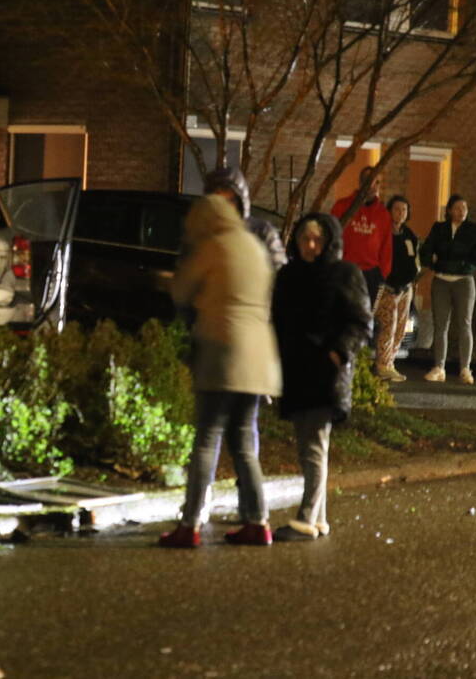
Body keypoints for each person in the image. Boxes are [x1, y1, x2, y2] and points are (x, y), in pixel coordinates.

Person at [159, 194, 281, 548]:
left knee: (206, 440)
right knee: (244, 442)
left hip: (221, 351)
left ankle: (190, 524)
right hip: (259, 356)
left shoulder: (213, 247)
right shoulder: (254, 247)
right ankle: (258, 522)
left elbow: (182, 290)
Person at [271, 213, 371, 541]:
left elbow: (360, 321)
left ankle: (305, 518)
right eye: (304, 239)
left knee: (314, 444)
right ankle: (319, 518)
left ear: (328, 242)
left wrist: (338, 352)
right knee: (309, 445)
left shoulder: (344, 274)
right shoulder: (289, 275)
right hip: (297, 370)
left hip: (325, 373)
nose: (310, 246)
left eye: (317, 240)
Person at [419, 195, 476, 384]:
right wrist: (432, 263)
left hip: (464, 280)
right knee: (440, 324)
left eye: (464, 207)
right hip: (441, 280)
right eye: (457, 207)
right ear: (449, 210)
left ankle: (465, 368)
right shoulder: (439, 229)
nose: (461, 211)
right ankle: (439, 367)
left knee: (465, 323)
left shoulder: (475, 231)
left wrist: (453, 264)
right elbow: (426, 249)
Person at [331, 166, 393, 308]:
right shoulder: (342, 206)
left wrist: (381, 274)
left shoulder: (383, 214)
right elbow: (332, 237)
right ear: (361, 182)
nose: (373, 186)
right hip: (345, 270)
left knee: (364, 318)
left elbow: (386, 247)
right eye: (369, 181)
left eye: (377, 182)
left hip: (371, 275)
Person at [204, 167, 287, 270]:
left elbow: (279, 272)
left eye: (230, 200)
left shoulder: (263, 232)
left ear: (240, 201)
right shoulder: (202, 233)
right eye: (219, 200)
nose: (225, 206)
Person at [374, 195, 420, 382]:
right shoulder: (383, 232)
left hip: (405, 289)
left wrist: (408, 283)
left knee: (401, 327)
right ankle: (382, 364)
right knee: (388, 325)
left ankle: (390, 362)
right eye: (397, 209)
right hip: (388, 288)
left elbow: (414, 262)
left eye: (404, 210)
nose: (400, 213)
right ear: (389, 211)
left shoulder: (409, 235)